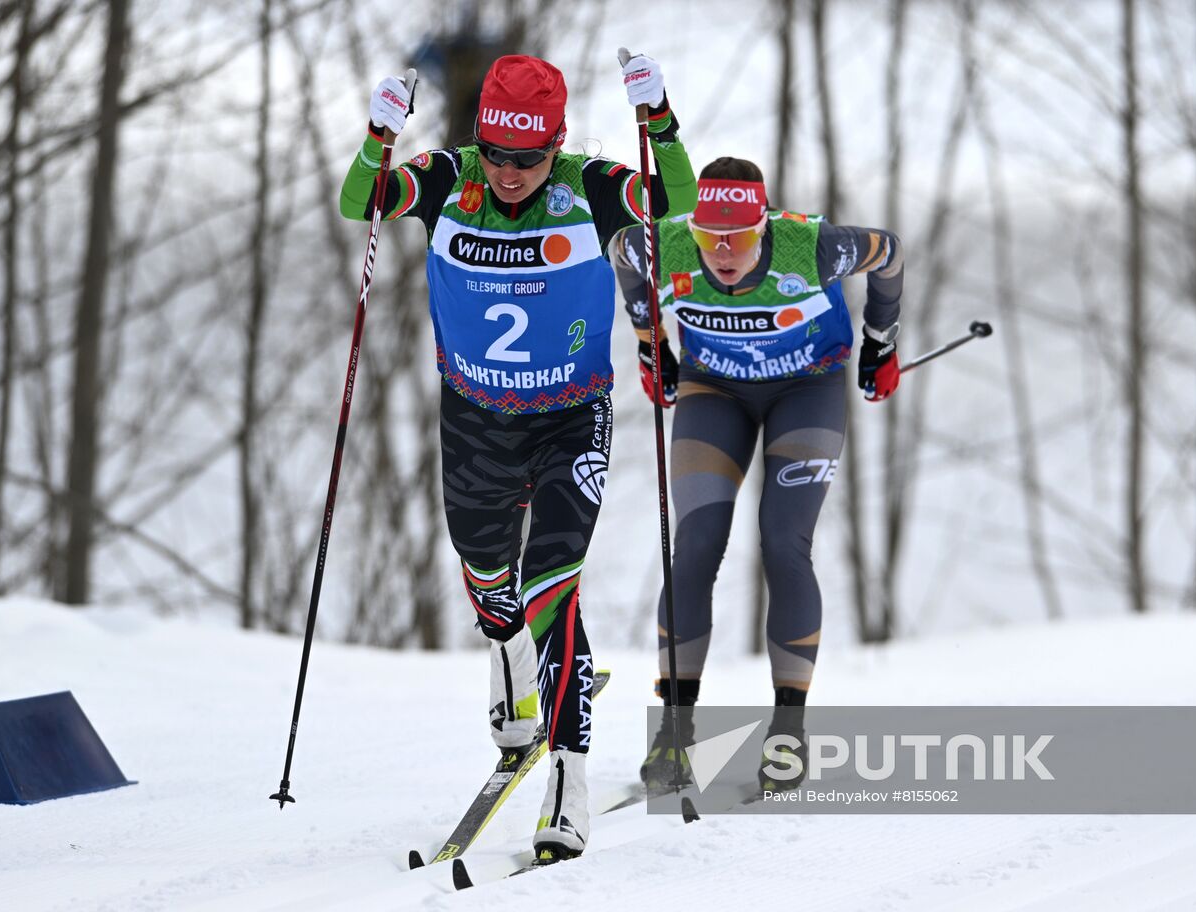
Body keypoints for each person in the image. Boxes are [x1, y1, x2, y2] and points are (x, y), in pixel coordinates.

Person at [340, 53, 695, 857]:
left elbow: (675, 200)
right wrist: (378, 136)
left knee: (551, 590)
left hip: (571, 418)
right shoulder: (448, 179)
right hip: (475, 421)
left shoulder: (591, 187)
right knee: (489, 579)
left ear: (556, 144)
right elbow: (361, 201)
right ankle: (505, 651)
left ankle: (568, 781)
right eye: (497, 152)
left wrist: (661, 122)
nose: (508, 172)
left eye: (528, 158)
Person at [610, 157, 905, 791]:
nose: (722, 252)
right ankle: (675, 732)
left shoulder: (812, 247)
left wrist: (881, 340)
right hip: (714, 391)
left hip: (806, 390)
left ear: (763, 224)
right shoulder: (664, 243)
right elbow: (620, 252)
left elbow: (889, 253)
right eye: (709, 235)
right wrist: (649, 341)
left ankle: (787, 734)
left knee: (783, 543)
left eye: (739, 237)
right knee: (695, 545)